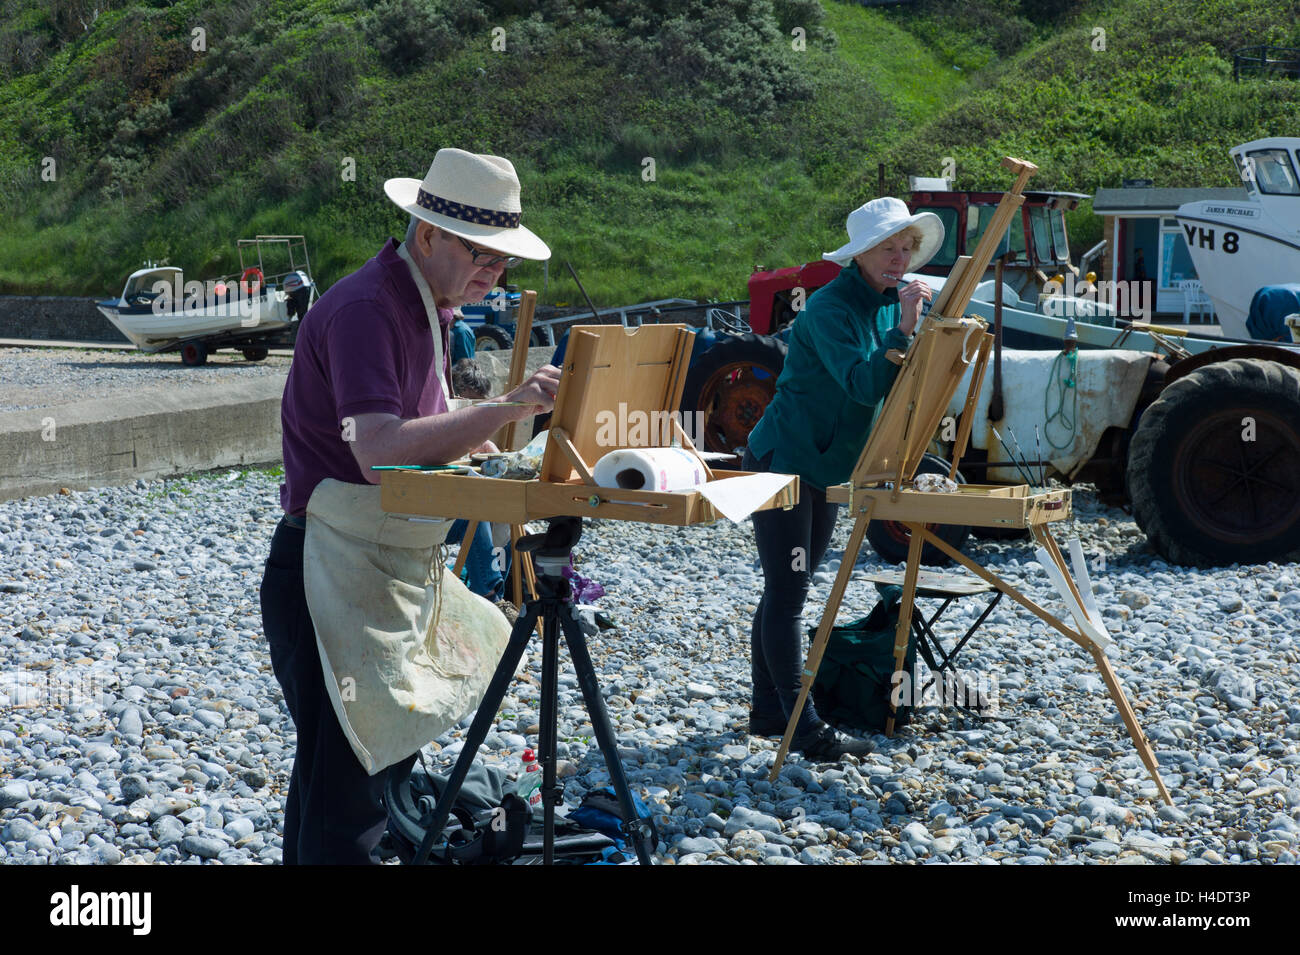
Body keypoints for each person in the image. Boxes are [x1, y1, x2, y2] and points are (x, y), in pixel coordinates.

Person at [260, 147, 559, 864]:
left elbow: (412, 425)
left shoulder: (421, 302)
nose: (494, 272)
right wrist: (503, 409)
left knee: (347, 774)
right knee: (351, 788)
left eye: (502, 262)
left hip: (367, 562)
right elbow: (378, 446)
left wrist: (473, 436)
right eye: (481, 255)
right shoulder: (369, 306)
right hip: (327, 566)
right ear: (428, 234)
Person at [741, 196, 944, 760]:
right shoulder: (831, 308)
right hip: (784, 460)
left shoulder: (881, 302)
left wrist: (906, 329)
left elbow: (889, 382)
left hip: (825, 464)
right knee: (789, 593)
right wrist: (904, 328)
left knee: (788, 589)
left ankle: (766, 711)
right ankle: (802, 731)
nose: (899, 259)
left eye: (906, 249)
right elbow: (861, 382)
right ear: (859, 255)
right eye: (887, 249)